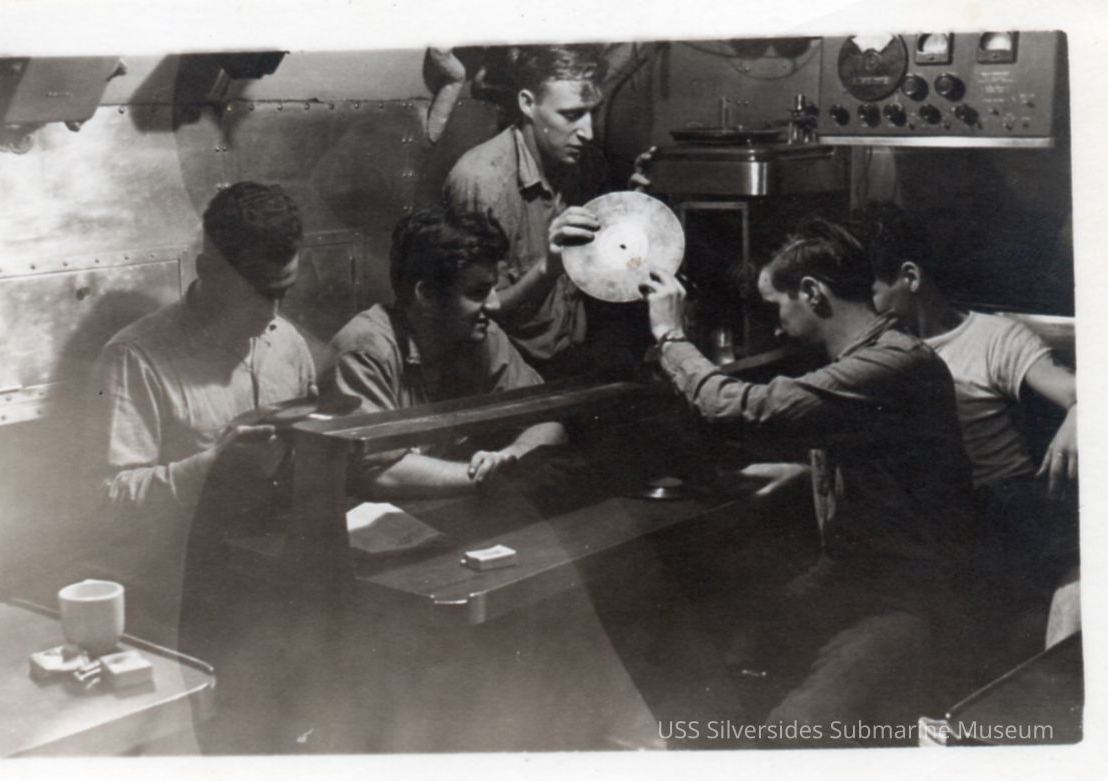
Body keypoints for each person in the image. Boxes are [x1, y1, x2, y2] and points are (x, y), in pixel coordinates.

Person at [639, 217, 978, 739]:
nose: (777, 325)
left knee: (790, 732)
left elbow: (743, 408)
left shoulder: (894, 362)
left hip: (906, 598)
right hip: (859, 577)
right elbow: (891, 460)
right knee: (716, 655)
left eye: (777, 305)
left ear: (813, 293)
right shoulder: (882, 353)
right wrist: (807, 472)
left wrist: (669, 335)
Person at [86, 181, 317, 629]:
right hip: (180, 592)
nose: (272, 313)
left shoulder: (287, 343)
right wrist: (210, 467)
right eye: (257, 293)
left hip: (275, 584)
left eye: (282, 293)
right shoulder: (136, 357)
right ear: (207, 270)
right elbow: (106, 500)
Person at [862, 201, 1078, 658]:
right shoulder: (874, 351)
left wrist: (1079, 413)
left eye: (871, 292)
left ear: (910, 277)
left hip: (1000, 515)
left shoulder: (993, 338)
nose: (866, 309)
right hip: (931, 523)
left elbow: (1079, 392)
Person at [326, 206, 565, 497]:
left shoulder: (484, 335)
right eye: (477, 292)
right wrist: (488, 476)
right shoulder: (364, 350)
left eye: (493, 289)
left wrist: (508, 458)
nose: (493, 304)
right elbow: (379, 472)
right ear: (426, 294)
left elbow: (546, 418)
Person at [443, 44, 649, 379]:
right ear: (528, 104)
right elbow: (472, 313)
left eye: (593, 113)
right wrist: (548, 269)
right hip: (506, 373)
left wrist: (630, 213)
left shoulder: (587, 164)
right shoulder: (481, 182)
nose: (588, 132)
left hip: (574, 358)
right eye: (571, 115)